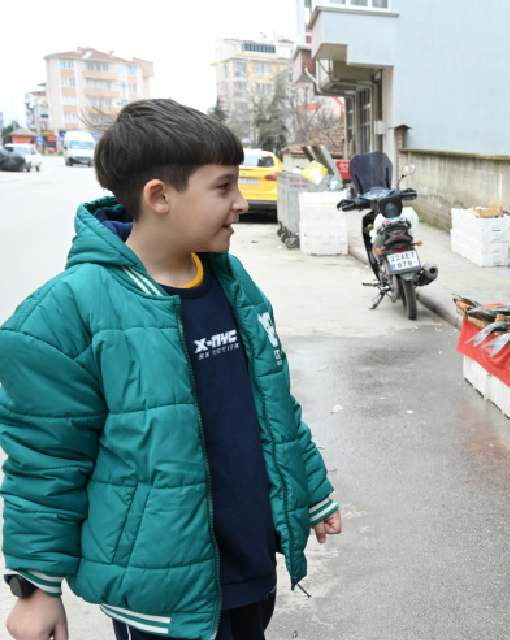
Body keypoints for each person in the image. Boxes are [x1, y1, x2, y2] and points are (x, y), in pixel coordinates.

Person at [1, 99, 343, 640]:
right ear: (159, 196)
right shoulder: (70, 311)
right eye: (224, 186)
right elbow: (45, 463)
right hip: (162, 593)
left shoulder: (233, 283)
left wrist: (312, 490)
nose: (240, 201)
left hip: (250, 565)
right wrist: (37, 589)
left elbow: (274, 404)